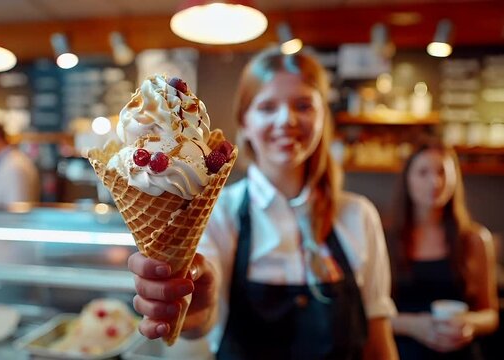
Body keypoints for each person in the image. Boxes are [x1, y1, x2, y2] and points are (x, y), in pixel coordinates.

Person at [128, 48, 398, 359]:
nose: (287, 120)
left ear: (323, 117)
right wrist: (191, 311)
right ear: (245, 121)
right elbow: (202, 310)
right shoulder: (218, 214)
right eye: (268, 107)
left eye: (303, 105)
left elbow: (379, 340)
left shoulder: (358, 215)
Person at [389, 141, 498, 359]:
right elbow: (369, 315)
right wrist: (414, 326)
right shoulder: (387, 239)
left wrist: (469, 324)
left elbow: (490, 315)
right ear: (407, 178)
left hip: (461, 352)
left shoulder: (475, 239)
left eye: (442, 172)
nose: (434, 181)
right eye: (423, 172)